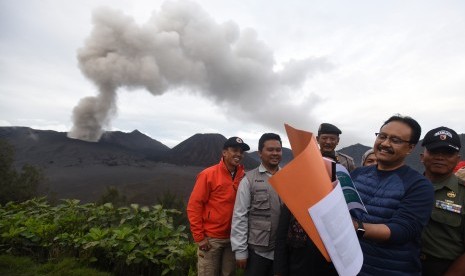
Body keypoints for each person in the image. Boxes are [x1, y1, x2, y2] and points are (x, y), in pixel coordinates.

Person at [350, 114, 434, 275]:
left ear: (410, 148)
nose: (385, 143)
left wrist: (355, 228)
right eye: (382, 136)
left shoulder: (419, 185)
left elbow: (401, 230)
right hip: (350, 267)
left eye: (395, 140)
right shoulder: (357, 174)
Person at [187, 136, 250, 276]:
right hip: (211, 239)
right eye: (234, 150)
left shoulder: (244, 177)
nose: (238, 154)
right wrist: (199, 237)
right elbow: (194, 206)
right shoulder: (208, 175)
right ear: (224, 152)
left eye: (241, 151)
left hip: (233, 238)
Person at [231, 133, 282, 276]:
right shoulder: (248, 180)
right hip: (258, 253)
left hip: (282, 252)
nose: (275, 153)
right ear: (260, 153)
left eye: (278, 150)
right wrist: (240, 251)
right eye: (270, 150)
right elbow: (240, 216)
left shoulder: (288, 178)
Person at [420, 126, 465, 276]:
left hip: (446, 268)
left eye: (448, 153)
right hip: (402, 264)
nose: (440, 157)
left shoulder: (463, 193)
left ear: (457, 159)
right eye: (434, 151)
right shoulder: (405, 186)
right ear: (422, 156)